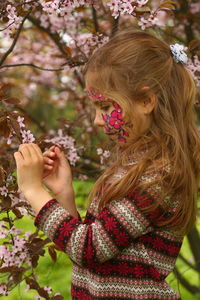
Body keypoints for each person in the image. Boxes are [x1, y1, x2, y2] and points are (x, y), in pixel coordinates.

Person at [14, 28, 200, 300]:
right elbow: (90, 250)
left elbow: (88, 248)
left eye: (105, 107)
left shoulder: (160, 177)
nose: (97, 121)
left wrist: (33, 191)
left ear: (146, 101)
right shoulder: (135, 165)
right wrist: (64, 192)